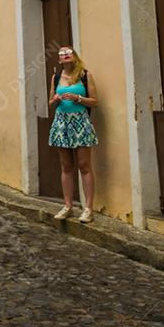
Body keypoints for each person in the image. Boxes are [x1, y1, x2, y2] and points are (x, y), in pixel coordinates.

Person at [48, 45, 99, 223]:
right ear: (60, 60)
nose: (65, 55)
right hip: (62, 123)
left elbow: (95, 102)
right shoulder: (55, 78)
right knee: (66, 166)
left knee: (84, 165)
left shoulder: (85, 75)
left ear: (75, 56)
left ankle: (88, 209)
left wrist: (78, 98)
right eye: (62, 54)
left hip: (80, 122)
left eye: (68, 52)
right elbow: (50, 102)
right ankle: (68, 206)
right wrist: (54, 100)